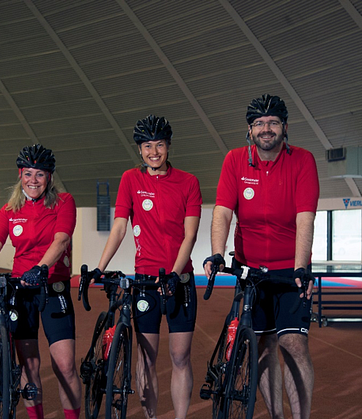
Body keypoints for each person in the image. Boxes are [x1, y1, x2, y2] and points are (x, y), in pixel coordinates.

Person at [203, 94, 319, 419]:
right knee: (264, 347)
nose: (265, 129)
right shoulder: (235, 161)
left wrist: (300, 266)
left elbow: (305, 217)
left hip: (289, 272)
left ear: (284, 127)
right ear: (250, 130)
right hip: (249, 273)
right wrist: (216, 251)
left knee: (294, 345)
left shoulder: (303, 161)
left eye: (272, 122)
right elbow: (223, 212)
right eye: (258, 124)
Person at [93, 115, 202, 419]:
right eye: (147, 146)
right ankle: (151, 416)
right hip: (145, 284)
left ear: (168, 146)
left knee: (180, 357)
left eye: (159, 145)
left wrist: (175, 274)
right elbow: (118, 228)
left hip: (179, 281)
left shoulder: (188, 182)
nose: (154, 151)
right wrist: (101, 268)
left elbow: (190, 235)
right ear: (139, 150)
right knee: (147, 357)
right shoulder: (131, 179)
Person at [0, 144, 81, 419]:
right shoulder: (9, 209)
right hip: (20, 289)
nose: (33, 180)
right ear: (20, 175)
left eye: (40, 174)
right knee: (29, 364)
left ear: (49, 178)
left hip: (52, 286)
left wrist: (42, 267)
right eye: (28, 173)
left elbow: (62, 238)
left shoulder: (64, 201)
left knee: (65, 365)